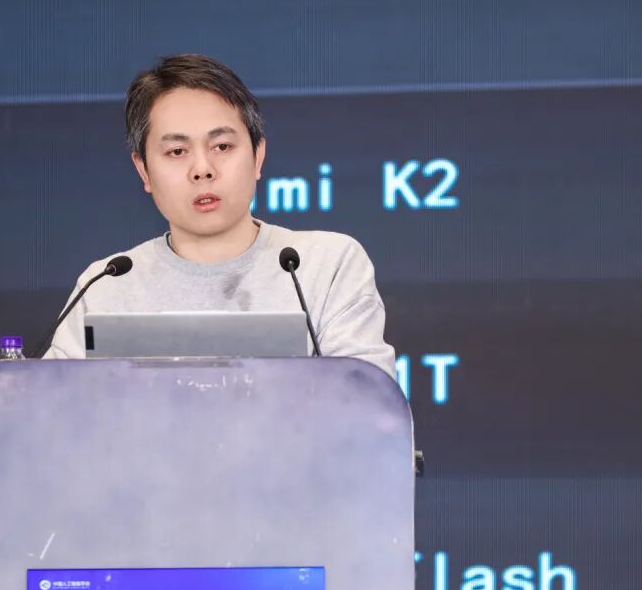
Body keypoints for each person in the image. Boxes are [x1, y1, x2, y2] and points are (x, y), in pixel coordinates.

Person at [43, 53, 395, 378]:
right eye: (177, 151)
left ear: (257, 156)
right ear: (144, 171)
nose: (202, 169)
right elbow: (48, 410)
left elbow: (370, 407)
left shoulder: (326, 266)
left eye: (222, 146)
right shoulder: (106, 285)